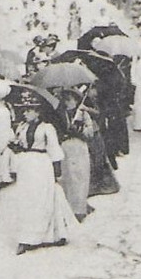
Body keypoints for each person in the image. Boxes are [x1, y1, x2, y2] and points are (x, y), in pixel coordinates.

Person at [12, 101, 74, 254]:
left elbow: (54, 148)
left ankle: (50, 235)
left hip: (41, 164)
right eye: (24, 110)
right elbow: (19, 145)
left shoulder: (47, 128)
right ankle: (26, 238)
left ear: (38, 112)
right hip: (26, 166)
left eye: (29, 110)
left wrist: (56, 170)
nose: (25, 113)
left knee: (43, 199)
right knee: (27, 200)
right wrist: (15, 146)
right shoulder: (22, 127)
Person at [59, 91, 95, 222]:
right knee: (67, 176)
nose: (67, 102)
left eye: (70, 100)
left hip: (79, 146)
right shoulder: (60, 114)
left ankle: (79, 209)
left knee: (80, 176)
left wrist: (79, 130)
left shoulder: (83, 114)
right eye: (65, 100)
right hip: (65, 147)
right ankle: (68, 207)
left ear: (76, 100)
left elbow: (90, 132)